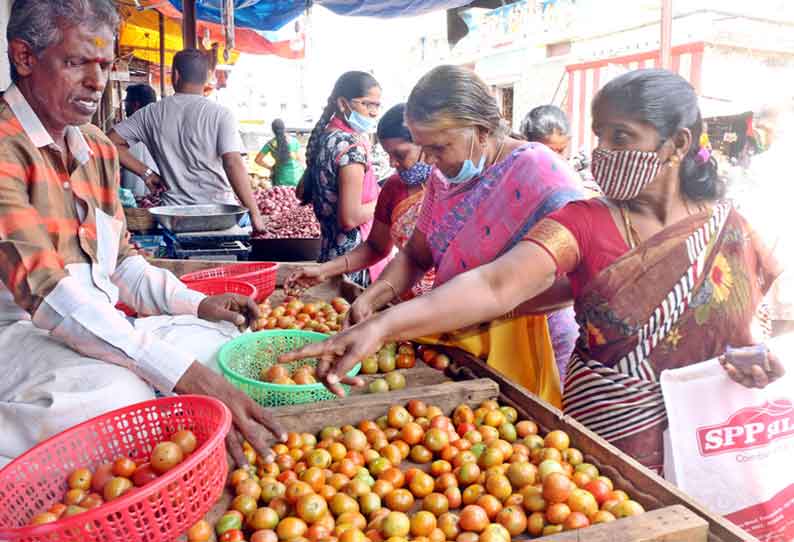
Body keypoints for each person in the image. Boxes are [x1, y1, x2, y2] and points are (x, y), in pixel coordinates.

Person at [283, 69, 783, 472]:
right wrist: (383, 322)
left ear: (677, 143)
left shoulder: (731, 228)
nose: (605, 152)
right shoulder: (584, 222)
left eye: (621, 136)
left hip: (710, 434)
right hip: (605, 438)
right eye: (600, 135)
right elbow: (496, 282)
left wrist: (761, 359)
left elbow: (757, 323)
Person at [0, 0, 284, 468]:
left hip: (93, 325)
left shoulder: (96, 148)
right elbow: (47, 294)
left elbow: (123, 261)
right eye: (76, 63)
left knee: (218, 344)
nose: (96, 83)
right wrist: (176, 372)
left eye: (104, 65)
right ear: (25, 57)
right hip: (20, 333)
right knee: (118, 397)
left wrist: (194, 303)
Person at [309, 65, 583, 405]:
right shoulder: (445, 178)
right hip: (462, 339)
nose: (431, 162)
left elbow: (577, 279)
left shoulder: (543, 175)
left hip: (530, 343)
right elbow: (416, 255)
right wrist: (375, 295)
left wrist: (498, 307)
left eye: (439, 148)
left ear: (481, 131)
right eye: (425, 149)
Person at [109, 49, 266, 233]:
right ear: (206, 78)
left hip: (174, 218)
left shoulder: (150, 113)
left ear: (175, 75)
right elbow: (233, 163)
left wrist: (146, 173)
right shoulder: (221, 114)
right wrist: (254, 214)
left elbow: (109, 142)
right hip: (220, 217)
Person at [286, 104, 435, 297]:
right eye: (389, 154)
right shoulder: (393, 188)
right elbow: (375, 247)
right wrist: (325, 270)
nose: (392, 163)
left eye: (400, 154)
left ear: (426, 143)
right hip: (406, 301)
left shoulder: (451, 187)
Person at [298, 71, 383, 287]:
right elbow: (350, 218)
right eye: (367, 104)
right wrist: (382, 203)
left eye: (377, 106)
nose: (373, 113)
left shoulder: (326, 137)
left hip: (329, 253)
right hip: (352, 262)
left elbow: (301, 191)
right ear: (343, 103)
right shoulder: (350, 147)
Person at [521, 104, 600, 196]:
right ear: (527, 143)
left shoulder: (571, 177)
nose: (556, 158)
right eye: (548, 152)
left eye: (560, 151)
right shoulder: (517, 175)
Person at [119, 83, 158, 198]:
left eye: (126, 102)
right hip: (156, 196)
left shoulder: (122, 133)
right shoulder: (160, 128)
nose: (125, 107)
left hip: (132, 199)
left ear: (135, 105)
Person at [255, 118, 304, 187]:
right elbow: (301, 160)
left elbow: (257, 160)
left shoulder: (270, 144)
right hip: (296, 177)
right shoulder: (294, 141)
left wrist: (270, 167)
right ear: (284, 128)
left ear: (273, 130)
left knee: (282, 196)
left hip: (280, 178)